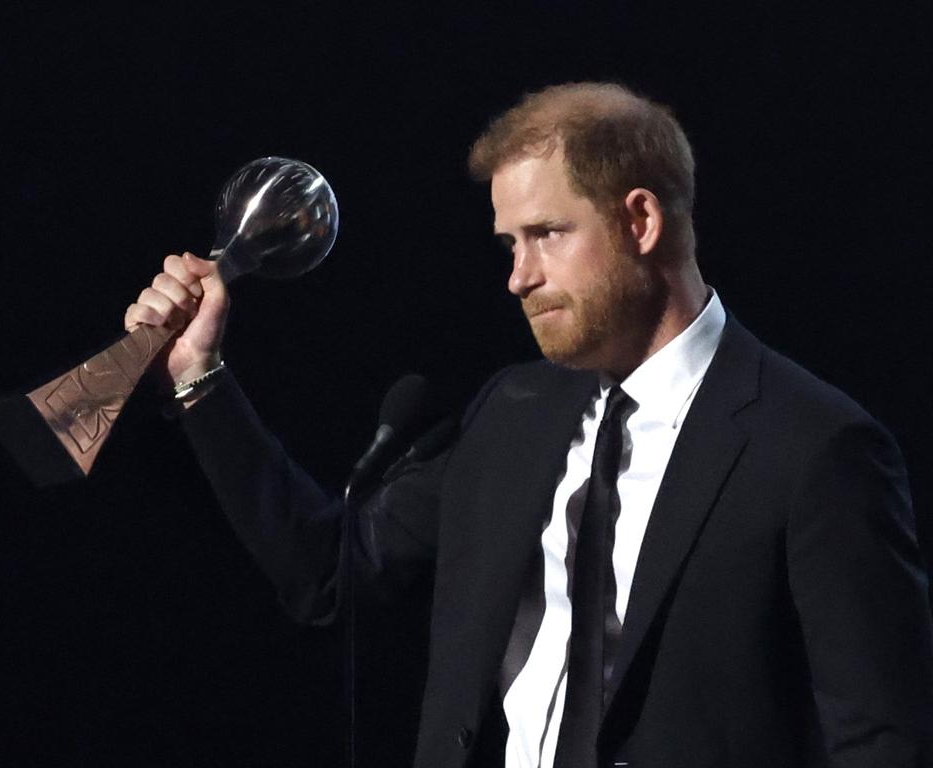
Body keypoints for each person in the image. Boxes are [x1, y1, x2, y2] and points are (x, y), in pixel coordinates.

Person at [124, 83, 933, 767]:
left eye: (547, 234)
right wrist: (200, 377)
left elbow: (883, 742)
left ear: (640, 221)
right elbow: (329, 577)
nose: (518, 277)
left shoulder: (817, 448)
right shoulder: (513, 412)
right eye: (509, 243)